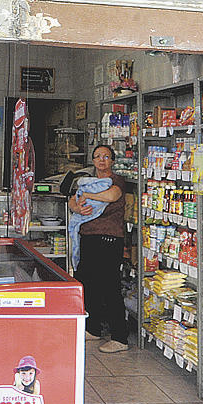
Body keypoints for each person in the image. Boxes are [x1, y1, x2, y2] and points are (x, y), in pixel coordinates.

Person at [67, 144, 129, 353]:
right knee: (88, 285)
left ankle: (120, 337)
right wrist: (77, 206)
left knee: (110, 287)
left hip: (109, 239)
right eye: (98, 157)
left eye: (106, 157)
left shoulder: (116, 181)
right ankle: (93, 329)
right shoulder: (87, 182)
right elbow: (72, 201)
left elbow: (111, 196)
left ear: (112, 161)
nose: (102, 160)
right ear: (93, 161)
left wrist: (89, 197)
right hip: (88, 237)